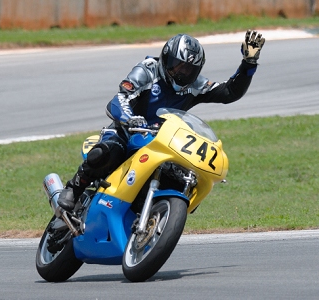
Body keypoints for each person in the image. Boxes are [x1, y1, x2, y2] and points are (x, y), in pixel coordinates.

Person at [58, 29, 265, 211]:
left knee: (183, 177)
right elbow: (119, 98)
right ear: (166, 58)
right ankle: (75, 187)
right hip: (128, 132)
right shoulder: (148, 69)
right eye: (179, 66)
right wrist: (129, 119)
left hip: (162, 141)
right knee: (107, 152)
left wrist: (248, 63)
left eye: (189, 70)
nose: (183, 73)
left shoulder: (194, 85)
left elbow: (229, 92)